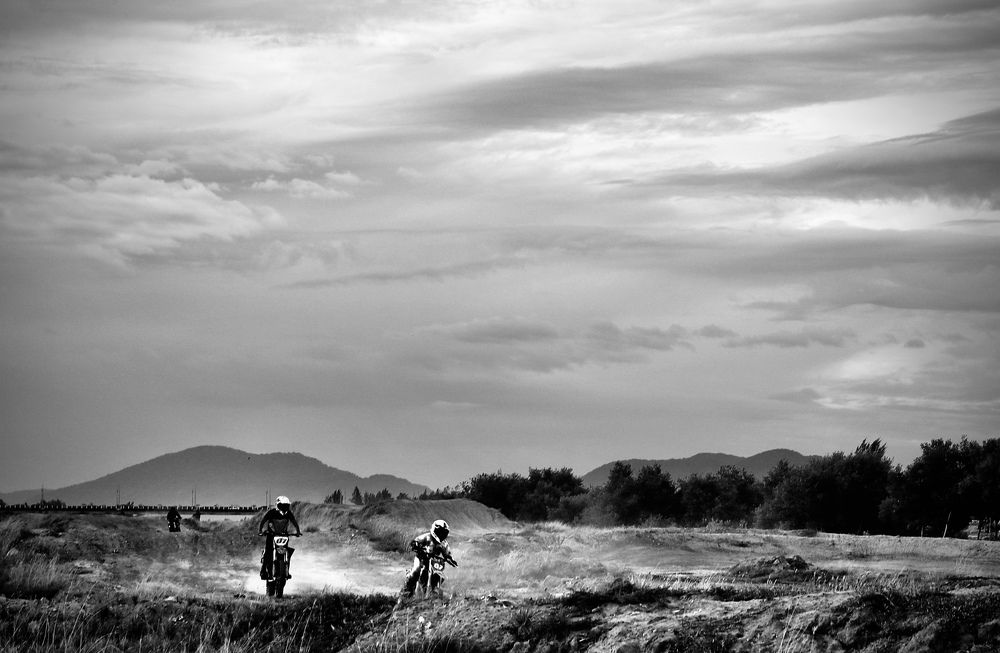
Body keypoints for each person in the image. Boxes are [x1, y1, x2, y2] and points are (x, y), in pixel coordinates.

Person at [399, 519, 457, 599]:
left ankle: (434, 591)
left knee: (440, 575)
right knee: (416, 571)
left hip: (434, 561)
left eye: (443, 533)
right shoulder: (426, 537)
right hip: (421, 558)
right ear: (434, 529)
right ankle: (405, 593)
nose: (441, 534)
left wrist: (451, 559)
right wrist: (416, 546)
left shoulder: (444, 544)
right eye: (440, 532)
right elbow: (414, 543)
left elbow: (447, 554)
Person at [258, 496, 302, 580]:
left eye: (286, 505)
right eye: (283, 505)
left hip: (283, 535)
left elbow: (294, 522)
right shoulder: (271, 512)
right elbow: (263, 520)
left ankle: (286, 571)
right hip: (271, 535)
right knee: (268, 552)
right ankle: (263, 571)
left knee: (287, 552)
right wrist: (261, 530)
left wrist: (298, 531)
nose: (285, 507)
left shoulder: (288, 513)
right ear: (278, 505)